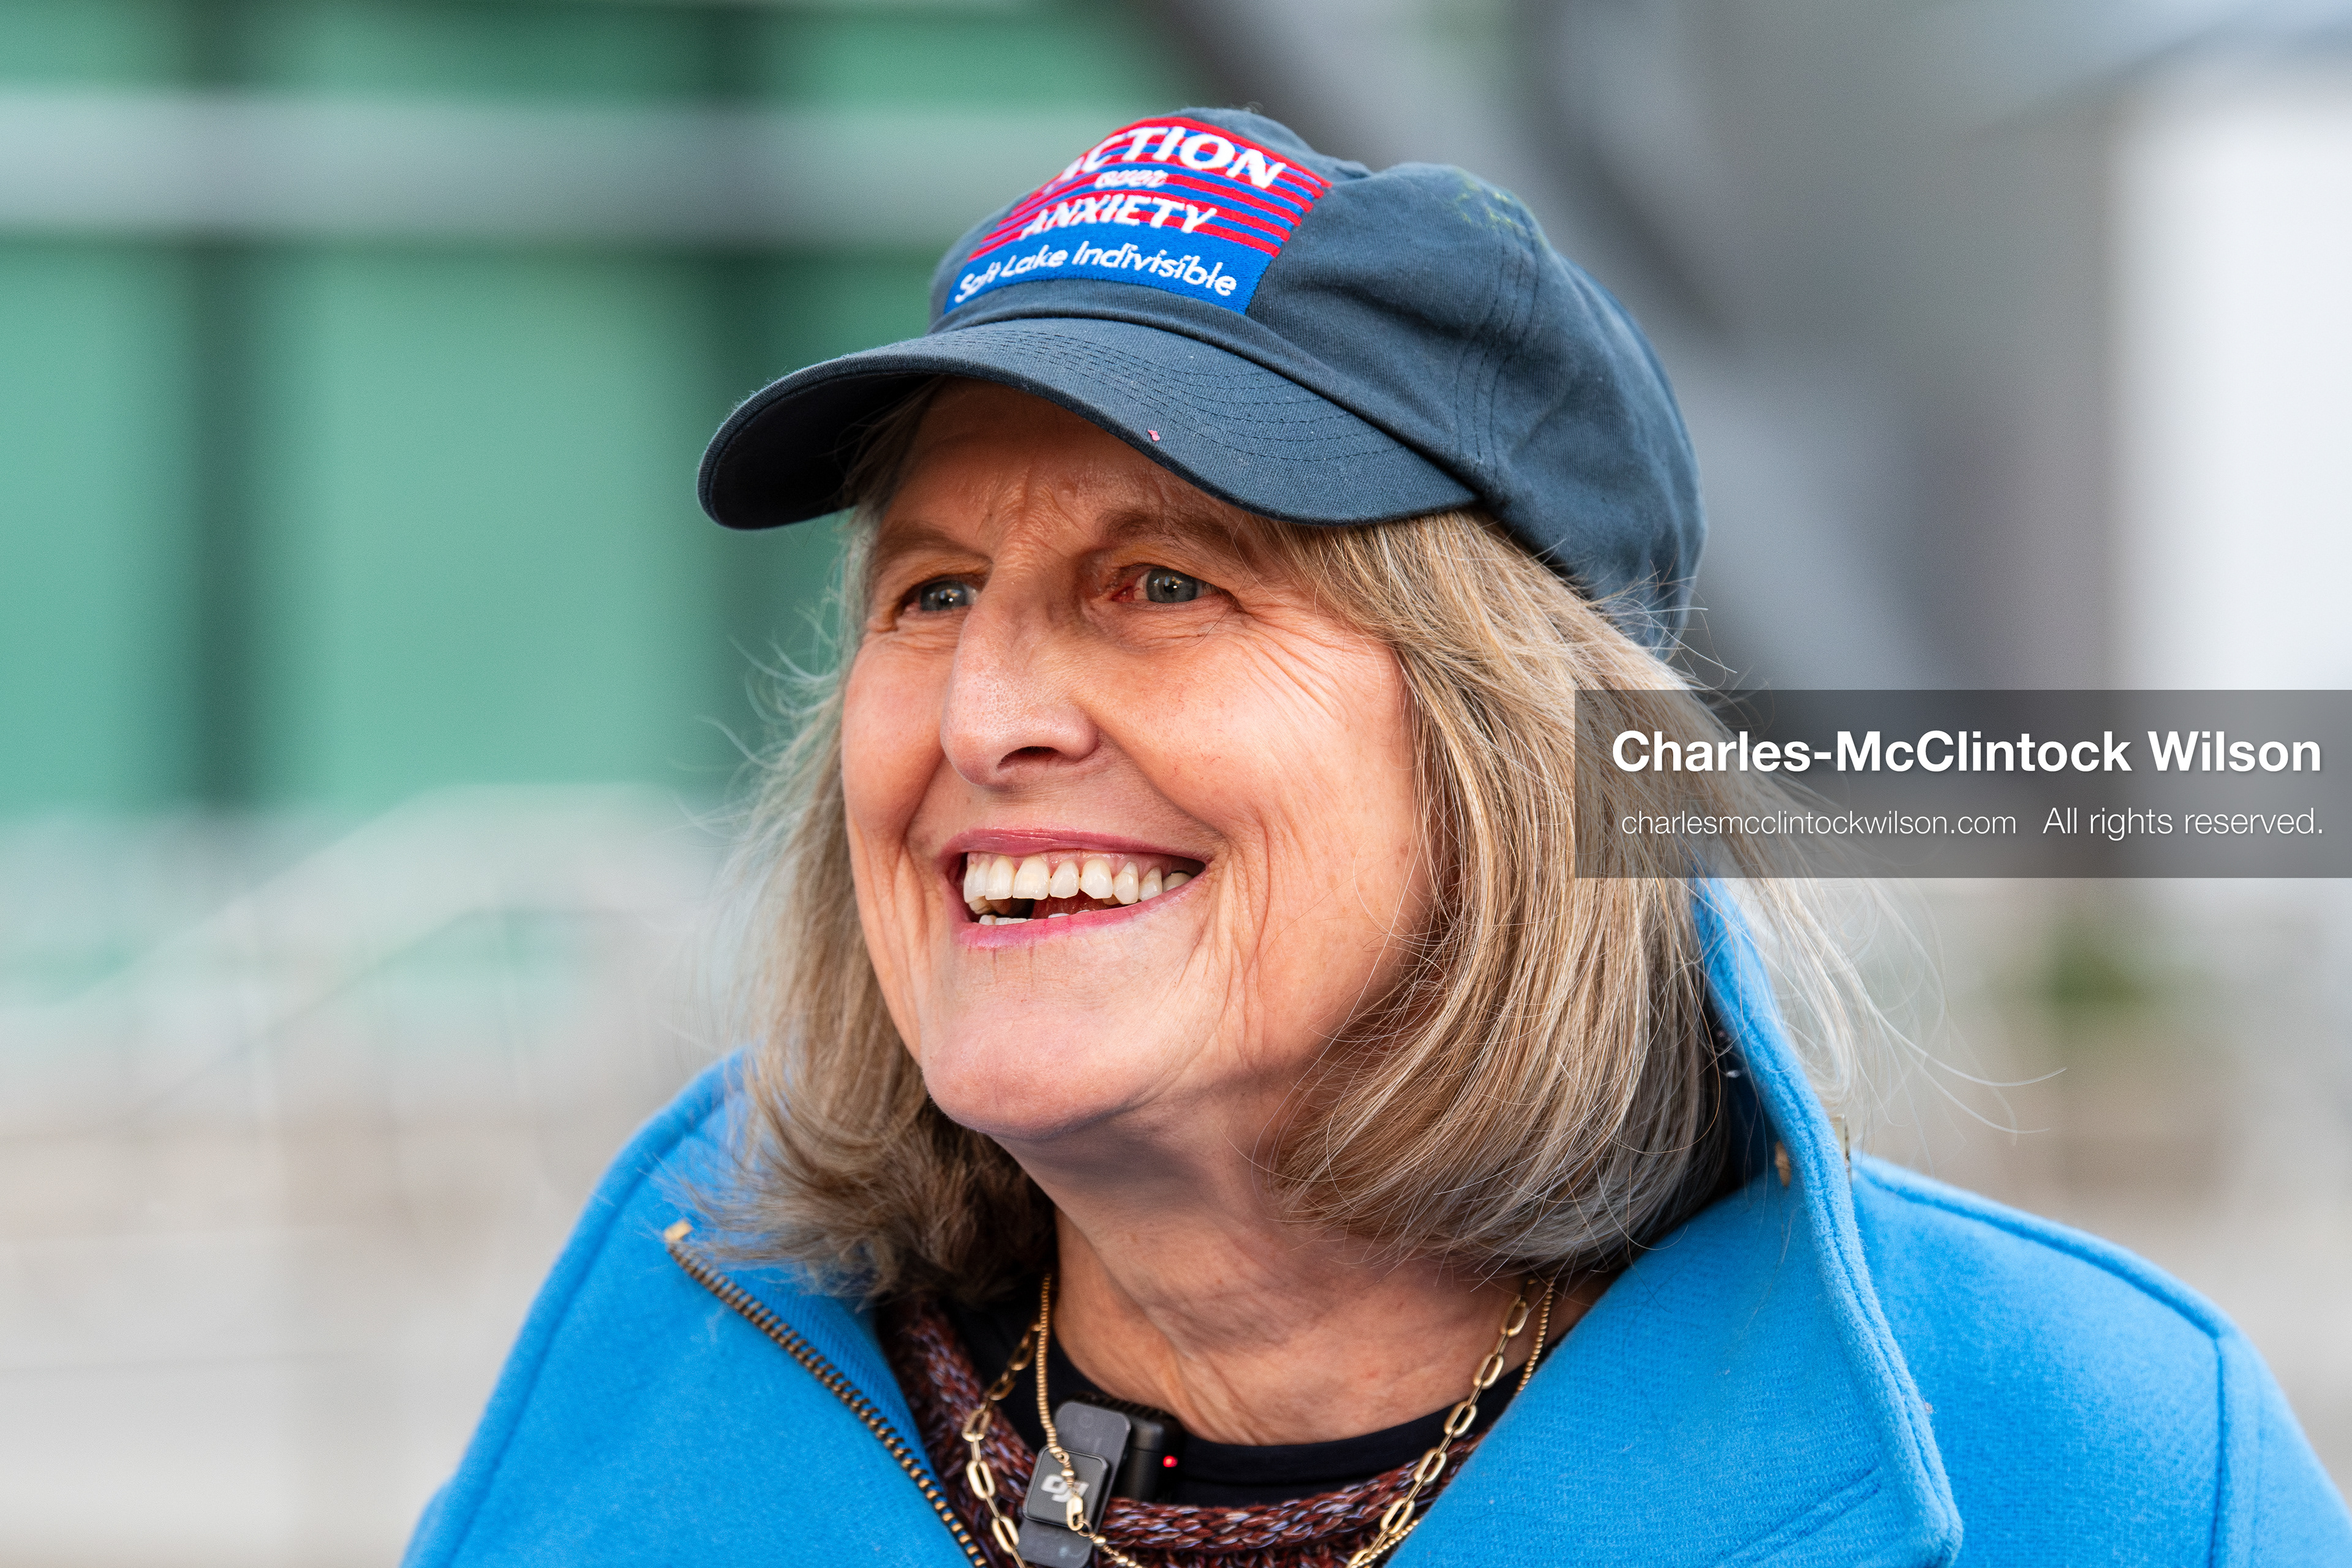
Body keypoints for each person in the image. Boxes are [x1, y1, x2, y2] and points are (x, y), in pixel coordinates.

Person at [400, 110, 2350, 1567]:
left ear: (1511, 749)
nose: (984, 718)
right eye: (932, 594)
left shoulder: (2099, 1467)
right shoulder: (677, 1330)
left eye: (1163, 583)